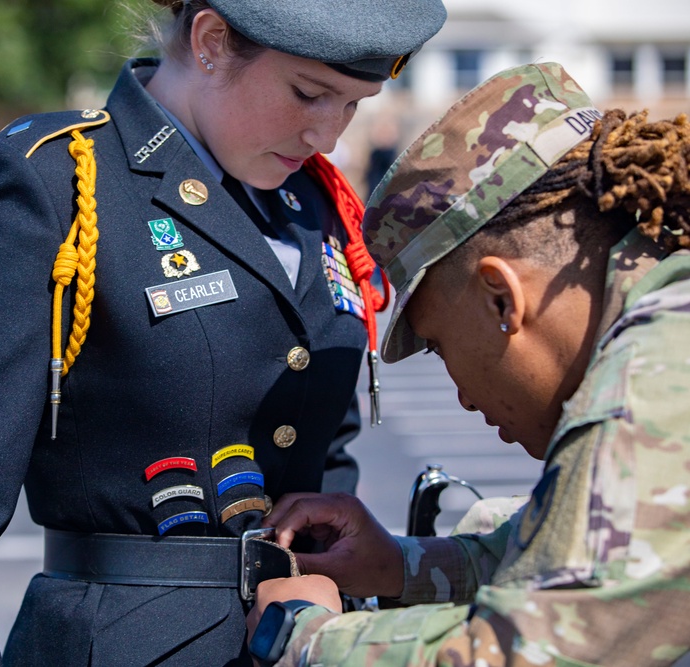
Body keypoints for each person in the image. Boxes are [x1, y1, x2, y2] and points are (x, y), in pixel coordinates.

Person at [0, 0, 447, 664]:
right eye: (309, 94)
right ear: (209, 41)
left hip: (305, 637)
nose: (328, 134)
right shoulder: (61, 183)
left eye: (353, 104)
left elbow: (323, 446)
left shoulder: (311, 202)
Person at [245, 62, 690, 666]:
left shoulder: (655, 379)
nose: (463, 398)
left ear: (503, 297)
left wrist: (304, 637)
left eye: (440, 346)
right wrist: (401, 567)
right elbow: (590, 552)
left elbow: (539, 653)